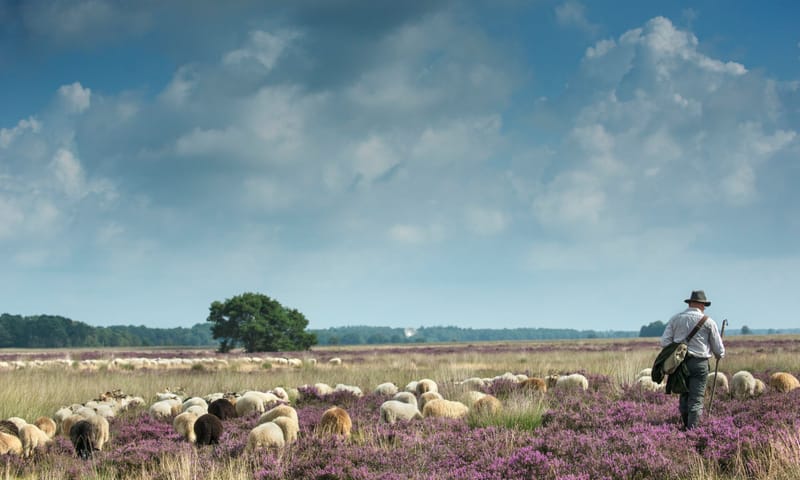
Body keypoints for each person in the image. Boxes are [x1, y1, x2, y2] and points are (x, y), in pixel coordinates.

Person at [660, 290, 725, 430]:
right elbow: (719, 350)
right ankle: (693, 432)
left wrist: (677, 349)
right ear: (702, 305)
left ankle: (685, 427)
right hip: (700, 364)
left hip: (680, 363)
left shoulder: (676, 319)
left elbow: (664, 342)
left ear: (690, 303)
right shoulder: (709, 322)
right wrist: (718, 355)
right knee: (696, 398)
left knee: (684, 394)